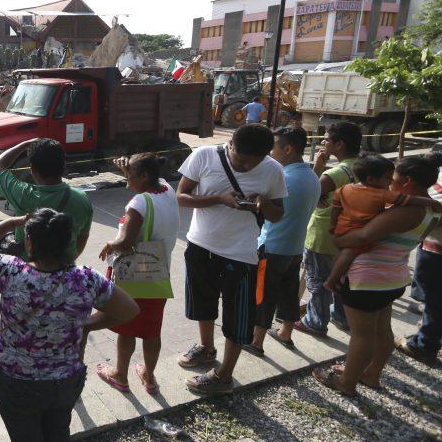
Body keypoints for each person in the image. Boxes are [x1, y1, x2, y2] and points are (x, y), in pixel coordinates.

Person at [0, 209, 139, 442]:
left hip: (15, 381)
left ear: (30, 243)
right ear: (68, 242)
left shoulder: (11, 272)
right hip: (64, 381)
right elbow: (129, 310)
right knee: (58, 434)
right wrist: (86, 324)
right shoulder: (85, 278)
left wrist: (14, 221)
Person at [314, 155, 442, 396]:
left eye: (392, 177)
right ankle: (371, 375)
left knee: (362, 336)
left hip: (368, 279)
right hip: (392, 276)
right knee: (382, 332)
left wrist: (337, 239)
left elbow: (364, 237)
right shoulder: (431, 208)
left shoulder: (410, 210)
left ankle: (346, 382)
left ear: (406, 180)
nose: (389, 182)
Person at [176, 123, 286, 395]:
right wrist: (219, 199)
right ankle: (205, 347)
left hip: (241, 254)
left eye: (253, 163)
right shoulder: (204, 156)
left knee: (238, 317)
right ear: (230, 145)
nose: (246, 167)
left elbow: (277, 215)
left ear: (266, 154)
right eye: (240, 160)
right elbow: (181, 196)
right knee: (202, 302)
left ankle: (225, 373)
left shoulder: (273, 170)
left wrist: (263, 203)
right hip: (200, 244)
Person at [97, 154, 179, 395]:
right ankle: (150, 377)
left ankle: (120, 375)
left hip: (134, 275)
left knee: (127, 327)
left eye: (130, 175)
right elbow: (145, 190)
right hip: (157, 273)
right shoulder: (166, 188)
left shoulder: (138, 204)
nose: (126, 178)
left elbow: (125, 242)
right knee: (151, 330)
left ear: (144, 176)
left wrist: (110, 243)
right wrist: (130, 171)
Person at [243, 127, 320, 356]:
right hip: (295, 246)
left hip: (273, 246)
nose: (269, 152)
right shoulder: (312, 176)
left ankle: (256, 341)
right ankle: (285, 332)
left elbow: (262, 205)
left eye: (273, 146)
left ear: (288, 149)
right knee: (288, 292)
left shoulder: (283, 178)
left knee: (263, 295)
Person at [295, 121, 362, 335]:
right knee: (341, 278)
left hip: (323, 235)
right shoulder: (364, 167)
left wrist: (317, 167)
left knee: (318, 281)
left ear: (339, 144)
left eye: (326, 139)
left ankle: (315, 322)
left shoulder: (333, 174)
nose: (323, 142)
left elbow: (309, 196)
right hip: (350, 234)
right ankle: (341, 317)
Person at [0, 138, 93, 262]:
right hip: (65, 272)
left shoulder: (24, 195)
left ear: (32, 169)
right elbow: (82, 240)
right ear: (63, 165)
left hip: (28, 271)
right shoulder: (82, 199)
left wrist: (25, 144)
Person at [397, 152, 442, 362]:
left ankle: (425, 344)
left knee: (435, 298)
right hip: (432, 245)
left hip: (437, 250)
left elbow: (436, 210)